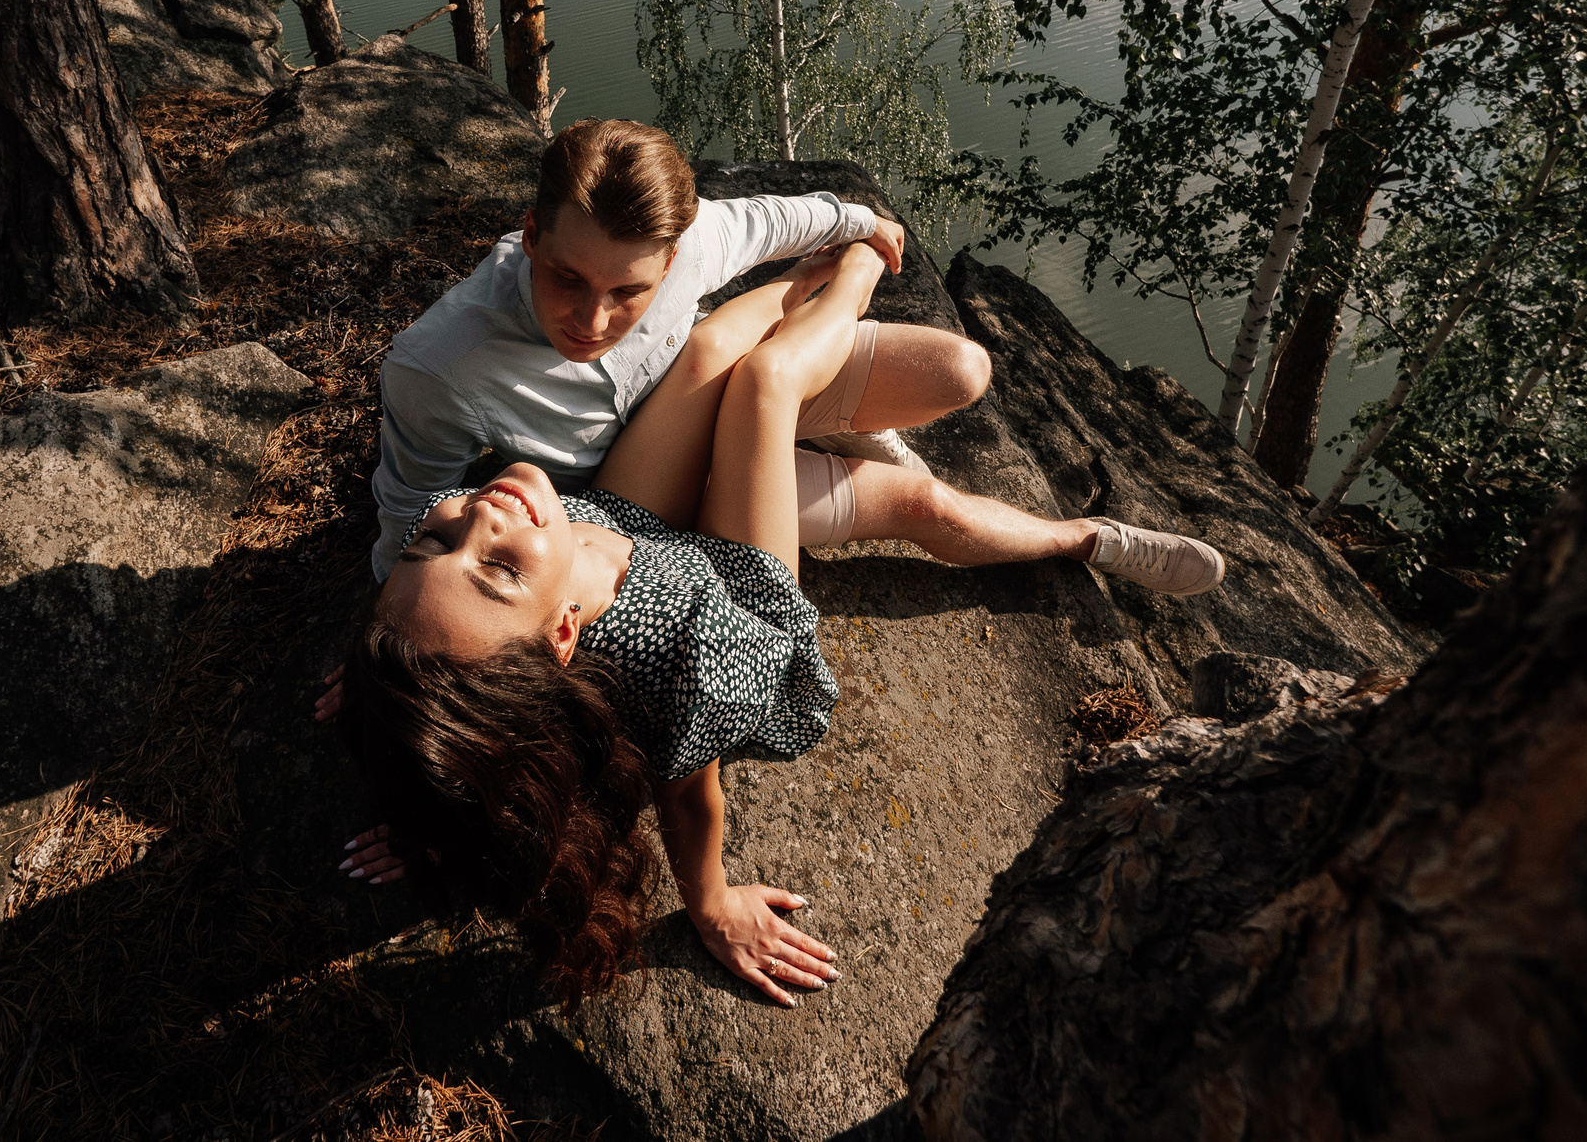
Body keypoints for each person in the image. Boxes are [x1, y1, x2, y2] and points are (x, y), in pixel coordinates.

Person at [324, 240, 1226, 1010]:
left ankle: (824, 350)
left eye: (434, 542)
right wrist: (711, 904)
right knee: (783, 392)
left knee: (719, 338)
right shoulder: (673, 655)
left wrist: (397, 700)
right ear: (562, 635)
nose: (476, 514)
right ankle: (1079, 537)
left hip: (623, 528)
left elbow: (443, 656)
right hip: (731, 597)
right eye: (494, 567)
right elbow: (690, 796)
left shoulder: (472, 595)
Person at [369, 117, 1215, 596]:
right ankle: (1087, 540)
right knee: (923, 502)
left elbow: (772, 221)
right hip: (672, 486)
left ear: (668, 261)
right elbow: (408, 512)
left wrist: (857, 219)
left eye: (627, 292)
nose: (591, 317)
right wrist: (389, 635)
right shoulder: (442, 365)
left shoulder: (691, 244)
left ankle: (836, 424)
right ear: (529, 236)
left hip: (735, 372)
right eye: (564, 278)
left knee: (965, 371)